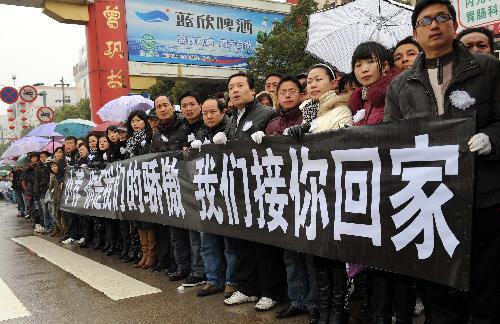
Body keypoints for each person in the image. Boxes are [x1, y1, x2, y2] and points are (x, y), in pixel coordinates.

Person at [385, 0, 500, 322]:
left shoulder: (486, 68)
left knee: (485, 284)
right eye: (426, 21)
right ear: (415, 32)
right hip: (427, 199)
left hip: (481, 195)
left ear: (453, 25)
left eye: (442, 17)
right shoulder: (401, 84)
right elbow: (390, 138)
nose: (434, 25)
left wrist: (492, 140)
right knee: (437, 284)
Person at [349, 41, 414, 324]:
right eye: (358, 64)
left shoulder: (397, 91)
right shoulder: (360, 101)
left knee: (397, 262)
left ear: (384, 64)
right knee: (374, 259)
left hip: (395, 187)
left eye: (369, 62)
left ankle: (402, 315)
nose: (363, 69)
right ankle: (379, 313)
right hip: (368, 189)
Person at [221, 72, 282, 311]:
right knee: (242, 241)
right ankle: (247, 288)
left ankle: (271, 291)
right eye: (231, 87)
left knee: (264, 243)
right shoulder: (233, 119)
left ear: (253, 91)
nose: (234, 90)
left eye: (239, 86)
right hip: (239, 188)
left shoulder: (266, 114)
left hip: (262, 188)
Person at [190, 98, 236, 298]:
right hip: (206, 194)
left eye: (212, 112)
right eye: (205, 113)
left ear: (222, 112)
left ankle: (231, 281)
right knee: (207, 241)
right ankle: (213, 279)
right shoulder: (201, 132)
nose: (209, 116)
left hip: (227, 194)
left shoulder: (231, 128)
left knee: (229, 243)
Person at [149, 94, 190, 279]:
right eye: (159, 107)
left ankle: (192, 267)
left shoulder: (185, 126)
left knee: (190, 229)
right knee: (173, 229)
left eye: (166, 105)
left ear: (172, 107)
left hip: (187, 184)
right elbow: (152, 158)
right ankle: (178, 264)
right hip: (167, 186)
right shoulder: (156, 133)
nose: (163, 109)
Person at [178, 90, 207, 287]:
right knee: (193, 232)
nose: (188, 109)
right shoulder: (182, 128)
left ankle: (209, 273)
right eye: (184, 106)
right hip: (188, 186)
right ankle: (197, 270)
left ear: (200, 105)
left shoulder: (208, 124)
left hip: (208, 186)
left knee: (206, 234)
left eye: (192, 104)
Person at [123, 110, 157, 270]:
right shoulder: (130, 141)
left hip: (148, 183)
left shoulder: (150, 137)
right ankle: (144, 253)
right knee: (138, 220)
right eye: (132, 121)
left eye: (138, 120)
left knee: (148, 220)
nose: (135, 123)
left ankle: (151, 254)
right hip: (133, 183)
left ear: (145, 121)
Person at [61, 136, 80, 244]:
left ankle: (80, 235)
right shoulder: (64, 158)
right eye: (66, 143)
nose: (67, 145)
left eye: (70, 143)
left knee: (79, 214)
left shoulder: (79, 155)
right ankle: (72, 235)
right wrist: (60, 180)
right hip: (67, 190)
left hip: (79, 188)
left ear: (75, 144)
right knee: (69, 214)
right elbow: (58, 172)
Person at [75, 142, 93, 248]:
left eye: (83, 149)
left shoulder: (90, 159)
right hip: (81, 190)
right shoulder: (79, 160)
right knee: (82, 216)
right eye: (79, 149)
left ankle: (90, 238)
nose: (81, 151)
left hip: (90, 190)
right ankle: (85, 236)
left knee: (89, 216)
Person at [33, 151, 52, 234]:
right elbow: (36, 181)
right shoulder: (38, 167)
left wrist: (49, 166)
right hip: (42, 191)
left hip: (50, 190)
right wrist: (37, 191)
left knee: (50, 209)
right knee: (44, 210)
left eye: (44, 156)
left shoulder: (51, 165)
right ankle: (47, 225)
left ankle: (53, 226)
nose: (42, 158)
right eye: (41, 157)